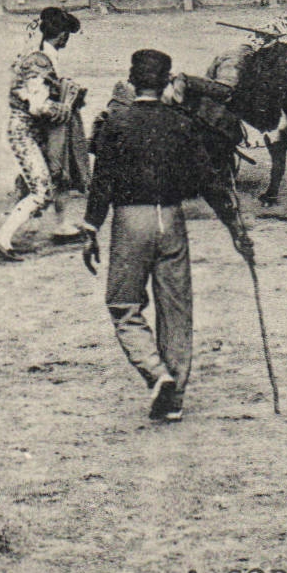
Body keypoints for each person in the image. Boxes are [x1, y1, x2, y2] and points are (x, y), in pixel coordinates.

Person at [79, 49, 253, 422]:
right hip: (172, 220)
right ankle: (174, 397)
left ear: (130, 79)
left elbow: (101, 182)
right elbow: (212, 181)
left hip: (130, 221)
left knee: (124, 307)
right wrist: (236, 229)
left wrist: (91, 228)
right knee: (176, 309)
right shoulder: (182, 123)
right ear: (168, 80)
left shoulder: (116, 123)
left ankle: (157, 374)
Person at [0, 7, 88, 260]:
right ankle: (3, 237)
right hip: (26, 133)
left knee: (56, 174)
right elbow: (38, 107)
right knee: (41, 188)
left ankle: (60, 225)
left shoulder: (38, 56)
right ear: (63, 35)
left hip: (32, 132)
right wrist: (65, 107)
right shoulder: (39, 62)